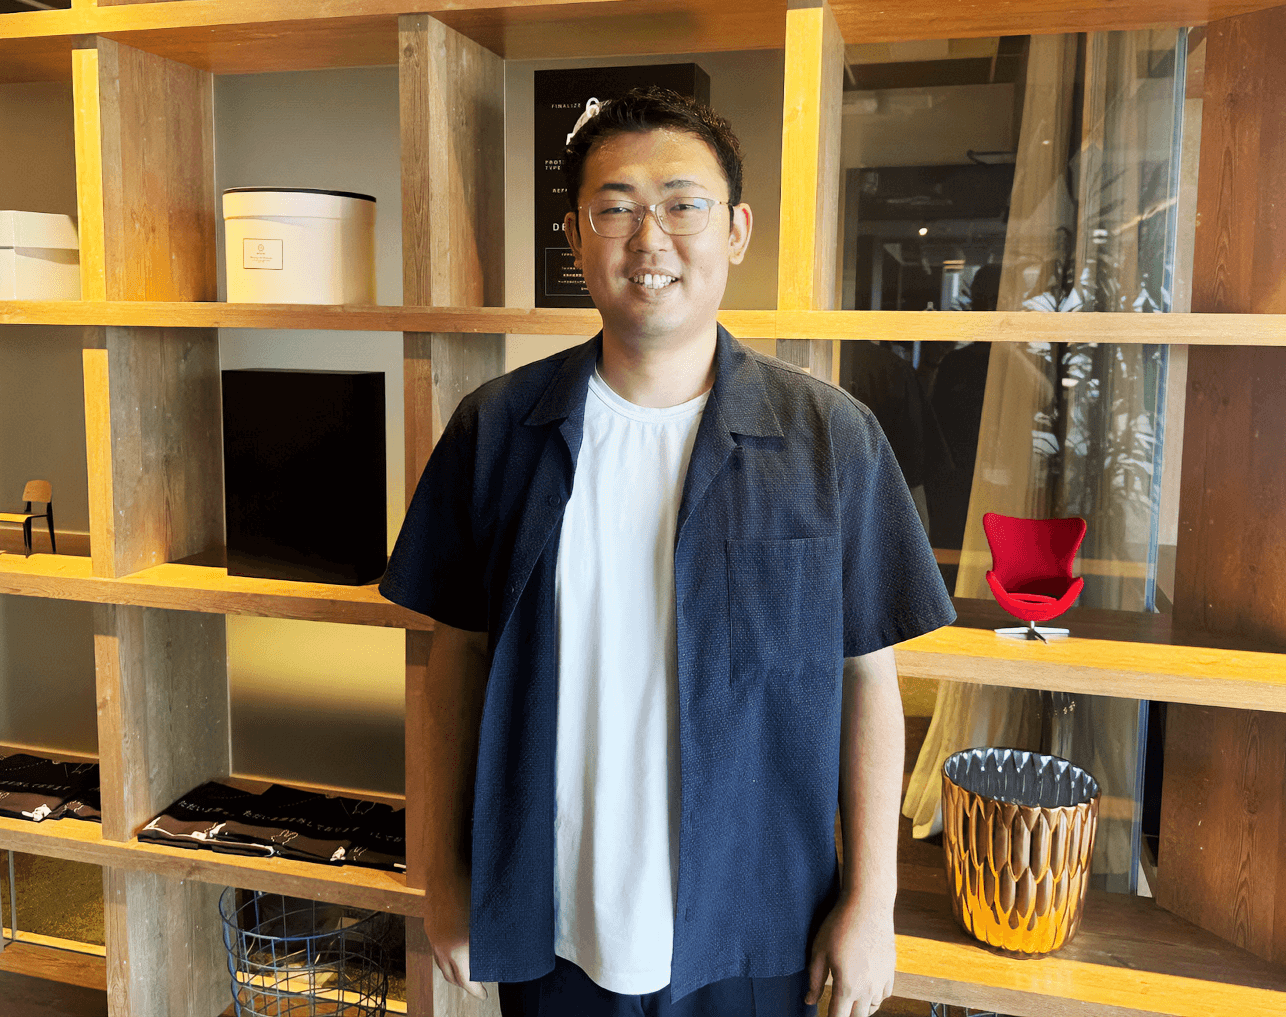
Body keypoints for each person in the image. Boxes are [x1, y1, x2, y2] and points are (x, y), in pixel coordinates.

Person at [381, 88, 955, 1017]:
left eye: (682, 204)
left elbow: (866, 679)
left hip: (759, 926)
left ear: (735, 230)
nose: (649, 240)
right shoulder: (497, 432)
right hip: (552, 923)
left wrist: (872, 899)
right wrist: (443, 876)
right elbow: (455, 663)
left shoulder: (832, 439)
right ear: (576, 236)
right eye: (615, 209)